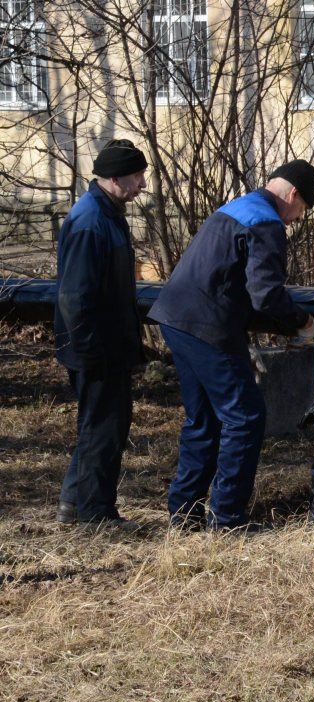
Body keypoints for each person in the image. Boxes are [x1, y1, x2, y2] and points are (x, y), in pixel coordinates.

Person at [148, 161, 314, 531]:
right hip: (210, 326)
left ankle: (184, 513)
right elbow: (266, 295)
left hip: (175, 319)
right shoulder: (267, 223)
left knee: (203, 419)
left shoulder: (234, 207)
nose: (294, 220)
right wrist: (301, 321)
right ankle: (226, 519)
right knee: (245, 417)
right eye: (301, 211)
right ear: (292, 195)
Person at [54, 139, 149, 531]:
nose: (142, 184)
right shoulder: (91, 221)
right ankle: (95, 515)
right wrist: (91, 349)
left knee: (98, 425)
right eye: (137, 176)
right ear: (114, 178)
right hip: (95, 348)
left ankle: (74, 504)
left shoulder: (107, 214)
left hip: (107, 344)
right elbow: (75, 296)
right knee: (104, 429)